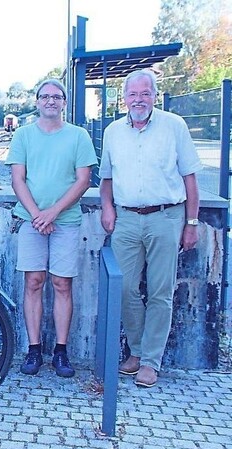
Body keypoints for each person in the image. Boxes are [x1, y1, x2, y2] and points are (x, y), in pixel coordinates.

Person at [99, 69, 201, 388]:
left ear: (155, 96)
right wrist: (107, 207)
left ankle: (150, 361)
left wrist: (192, 223)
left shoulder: (174, 126)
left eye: (145, 94)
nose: (138, 100)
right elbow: (106, 178)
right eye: (133, 94)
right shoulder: (113, 131)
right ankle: (136, 350)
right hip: (127, 218)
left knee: (160, 291)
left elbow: (190, 178)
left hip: (167, 217)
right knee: (125, 287)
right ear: (124, 98)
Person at [6, 79, 97, 378]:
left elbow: (83, 180)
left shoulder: (79, 136)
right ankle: (34, 349)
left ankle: (60, 350)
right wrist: (37, 215)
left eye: (56, 97)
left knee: (62, 284)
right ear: (37, 101)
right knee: (33, 281)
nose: (50, 101)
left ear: (64, 102)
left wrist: (53, 213)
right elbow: (18, 179)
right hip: (31, 220)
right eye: (44, 96)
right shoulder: (23, 135)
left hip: (65, 221)